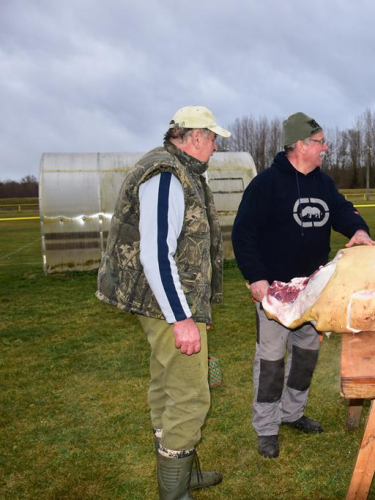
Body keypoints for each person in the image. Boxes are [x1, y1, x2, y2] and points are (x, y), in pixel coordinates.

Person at [96, 105, 229, 498]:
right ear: (194, 137)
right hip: (166, 307)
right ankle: (174, 492)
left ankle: (183, 473)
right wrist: (182, 319)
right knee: (189, 395)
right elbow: (155, 254)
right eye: (213, 139)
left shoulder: (179, 170)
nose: (216, 147)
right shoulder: (167, 176)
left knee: (167, 386)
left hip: (167, 304)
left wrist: (195, 311)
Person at [232, 111, 375, 459]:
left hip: (313, 291)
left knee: (306, 357)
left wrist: (358, 229)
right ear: (299, 145)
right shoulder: (266, 184)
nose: (325, 147)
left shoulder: (323, 183)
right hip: (275, 293)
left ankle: (292, 412)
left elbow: (342, 210)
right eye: (320, 142)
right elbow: (243, 233)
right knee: (270, 362)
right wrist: (256, 278)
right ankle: (266, 427)